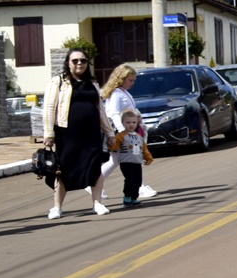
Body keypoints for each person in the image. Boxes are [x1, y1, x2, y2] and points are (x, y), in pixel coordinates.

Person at [41, 48, 114, 218]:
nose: (79, 63)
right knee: (63, 169)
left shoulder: (92, 83)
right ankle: (57, 207)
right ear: (68, 63)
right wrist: (49, 133)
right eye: (75, 61)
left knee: (94, 167)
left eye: (83, 60)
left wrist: (109, 133)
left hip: (92, 134)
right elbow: (49, 108)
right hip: (67, 134)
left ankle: (97, 203)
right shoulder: (58, 82)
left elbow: (100, 109)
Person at [97, 63, 158, 201]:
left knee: (117, 160)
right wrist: (122, 132)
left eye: (133, 80)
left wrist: (137, 116)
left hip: (126, 131)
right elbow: (114, 113)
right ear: (121, 79)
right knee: (132, 158)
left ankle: (95, 183)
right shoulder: (116, 94)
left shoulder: (122, 92)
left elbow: (129, 109)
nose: (132, 83)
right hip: (122, 132)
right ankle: (139, 187)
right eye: (130, 80)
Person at [114, 108, 153, 207]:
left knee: (137, 181)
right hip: (126, 162)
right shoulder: (121, 135)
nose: (131, 125)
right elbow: (114, 146)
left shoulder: (139, 136)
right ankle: (127, 197)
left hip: (137, 162)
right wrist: (112, 145)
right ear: (122, 123)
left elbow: (144, 149)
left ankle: (134, 198)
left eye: (133, 122)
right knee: (130, 179)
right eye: (128, 122)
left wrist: (148, 158)